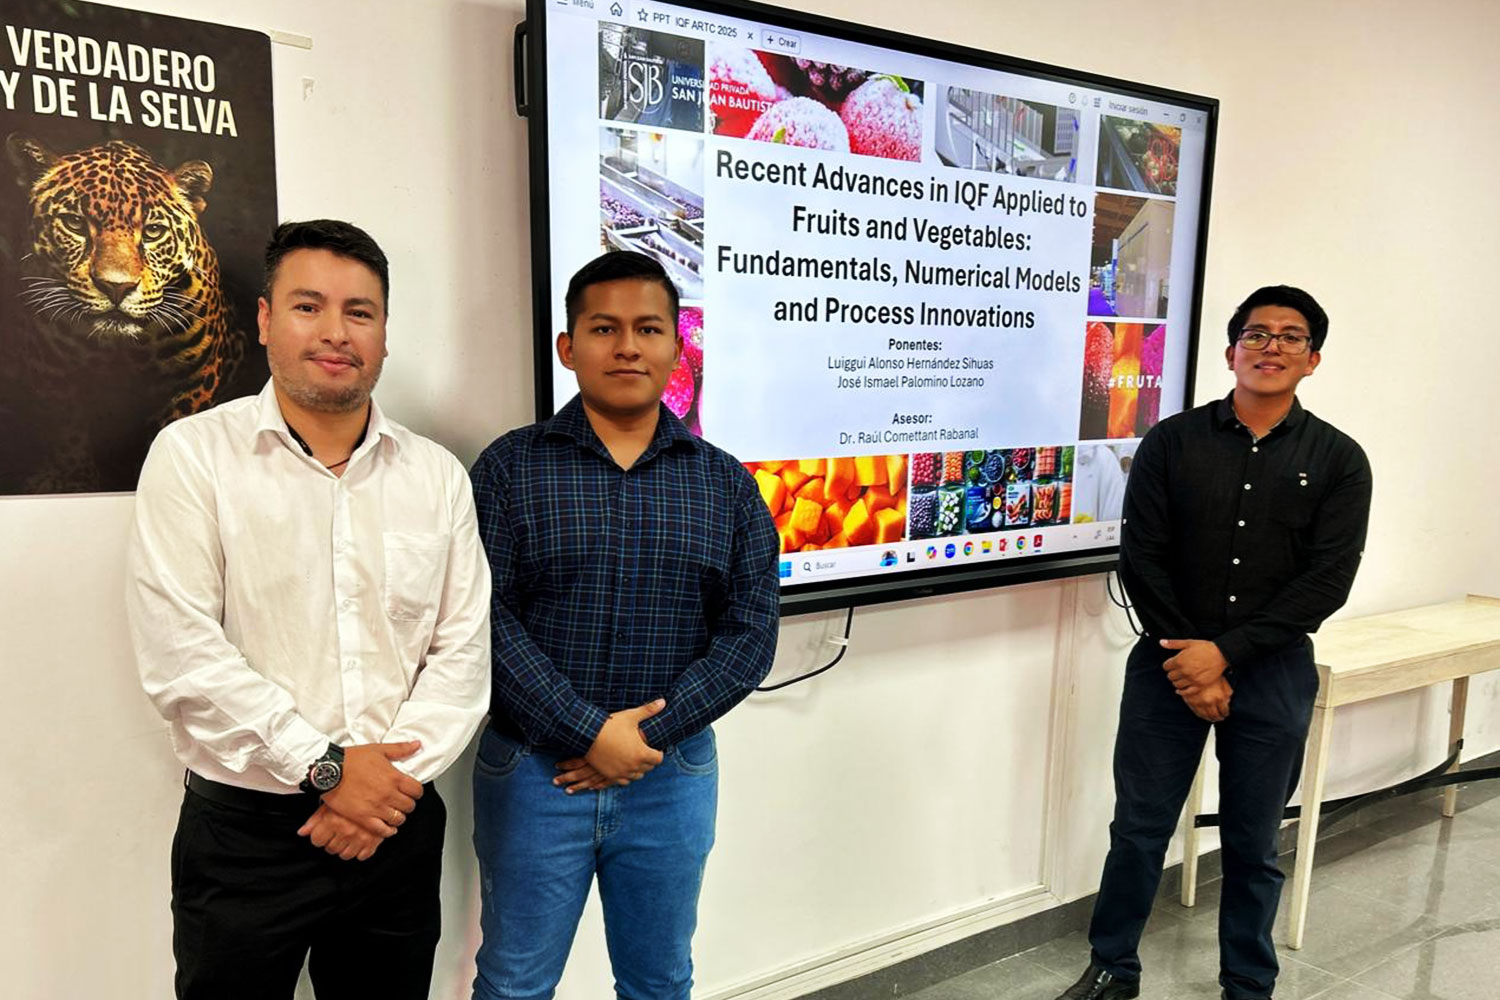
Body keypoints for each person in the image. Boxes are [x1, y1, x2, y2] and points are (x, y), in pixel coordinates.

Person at [126, 219, 491, 1000]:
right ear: (264, 319)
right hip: (245, 841)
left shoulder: (437, 477)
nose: (335, 332)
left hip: (394, 826)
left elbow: (462, 652)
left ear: (384, 332)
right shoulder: (194, 457)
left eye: (360, 312)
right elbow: (181, 652)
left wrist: (380, 790)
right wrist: (325, 769)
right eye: (307, 306)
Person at [468, 250, 780, 1000]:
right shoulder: (509, 469)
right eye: (604, 328)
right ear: (568, 346)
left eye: (648, 328)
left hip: (670, 776)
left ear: (677, 346)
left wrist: (641, 738)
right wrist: (587, 731)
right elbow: (481, 617)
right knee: (513, 985)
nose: (628, 347)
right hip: (535, 773)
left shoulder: (726, 484)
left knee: (660, 983)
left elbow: (749, 636)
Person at [1057, 286, 1373, 1000]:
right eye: (1256, 334)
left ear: (1313, 359)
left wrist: (1222, 656)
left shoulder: (1339, 460)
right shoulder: (1172, 442)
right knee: (1139, 830)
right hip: (1167, 667)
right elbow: (1142, 557)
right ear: (1232, 352)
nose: (1271, 346)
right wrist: (1190, 659)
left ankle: (1248, 984)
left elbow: (1327, 581)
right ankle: (1112, 968)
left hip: (1273, 672)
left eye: (1291, 336)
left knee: (1254, 842)